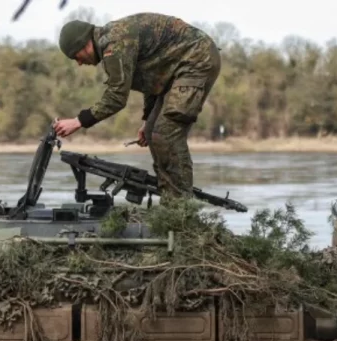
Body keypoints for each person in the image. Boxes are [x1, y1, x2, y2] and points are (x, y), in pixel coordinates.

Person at [53, 13, 221, 202]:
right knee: (151, 132)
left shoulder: (114, 44)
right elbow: (153, 79)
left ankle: (180, 210)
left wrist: (78, 121)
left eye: (77, 56)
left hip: (196, 61)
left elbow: (116, 97)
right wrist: (146, 120)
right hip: (176, 70)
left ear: (84, 44)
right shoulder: (111, 43)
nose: (80, 63)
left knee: (166, 133)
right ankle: (171, 203)